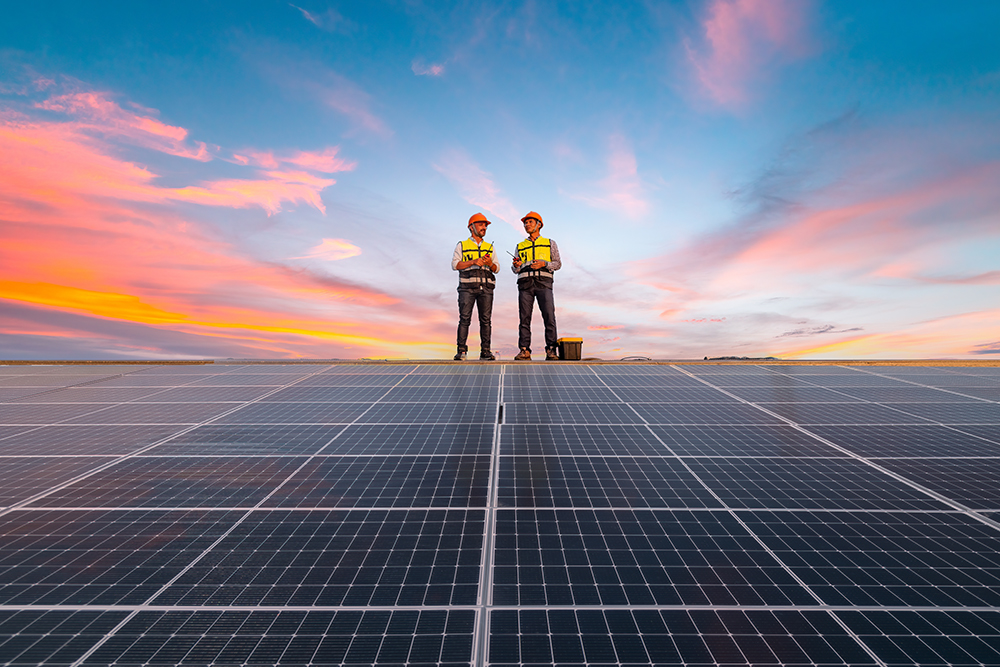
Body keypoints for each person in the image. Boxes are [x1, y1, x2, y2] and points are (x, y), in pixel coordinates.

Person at [511, 211, 561, 360]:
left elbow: (558, 264)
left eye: (530, 222)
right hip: (525, 285)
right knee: (524, 319)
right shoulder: (520, 246)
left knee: (549, 317)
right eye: (525, 223)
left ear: (539, 224)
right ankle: (524, 350)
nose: (527, 225)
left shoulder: (549, 243)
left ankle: (551, 350)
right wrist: (517, 265)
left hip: (544, 284)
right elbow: (514, 269)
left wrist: (544, 264)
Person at [452, 212, 499, 360]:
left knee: (486, 320)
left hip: (486, 288)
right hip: (467, 288)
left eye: (485, 225)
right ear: (471, 227)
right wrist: (473, 262)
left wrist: (489, 263)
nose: (484, 227)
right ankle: (461, 351)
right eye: (481, 224)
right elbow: (455, 265)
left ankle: (485, 351)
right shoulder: (462, 245)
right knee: (464, 319)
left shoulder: (489, 247)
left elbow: (497, 268)